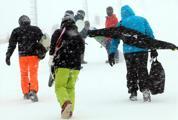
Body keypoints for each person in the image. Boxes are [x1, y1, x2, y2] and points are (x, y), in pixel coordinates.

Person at [88, 5, 157, 102]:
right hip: (142, 51)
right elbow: (150, 35)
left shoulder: (121, 24)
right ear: (132, 11)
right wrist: (153, 49)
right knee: (142, 70)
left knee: (131, 72)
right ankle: (145, 91)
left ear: (122, 14)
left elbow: (115, 40)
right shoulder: (142, 20)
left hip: (129, 53)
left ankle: (133, 93)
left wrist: (111, 53)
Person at [49, 12, 85, 119]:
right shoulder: (78, 35)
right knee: (70, 88)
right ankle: (69, 111)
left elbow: (51, 49)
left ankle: (65, 104)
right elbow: (82, 50)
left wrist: (53, 57)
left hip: (62, 64)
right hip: (76, 67)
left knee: (60, 86)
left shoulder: (59, 32)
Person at [5, 15, 43, 102]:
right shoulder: (35, 29)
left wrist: (8, 55)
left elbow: (12, 45)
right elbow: (43, 41)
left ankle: (26, 92)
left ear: (19, 23)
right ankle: (33, 91)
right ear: (29, 21)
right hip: (34, 56)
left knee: (24, 74)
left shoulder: (16, 31)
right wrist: (42, 53)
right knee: (33, 73)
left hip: (22, 57)